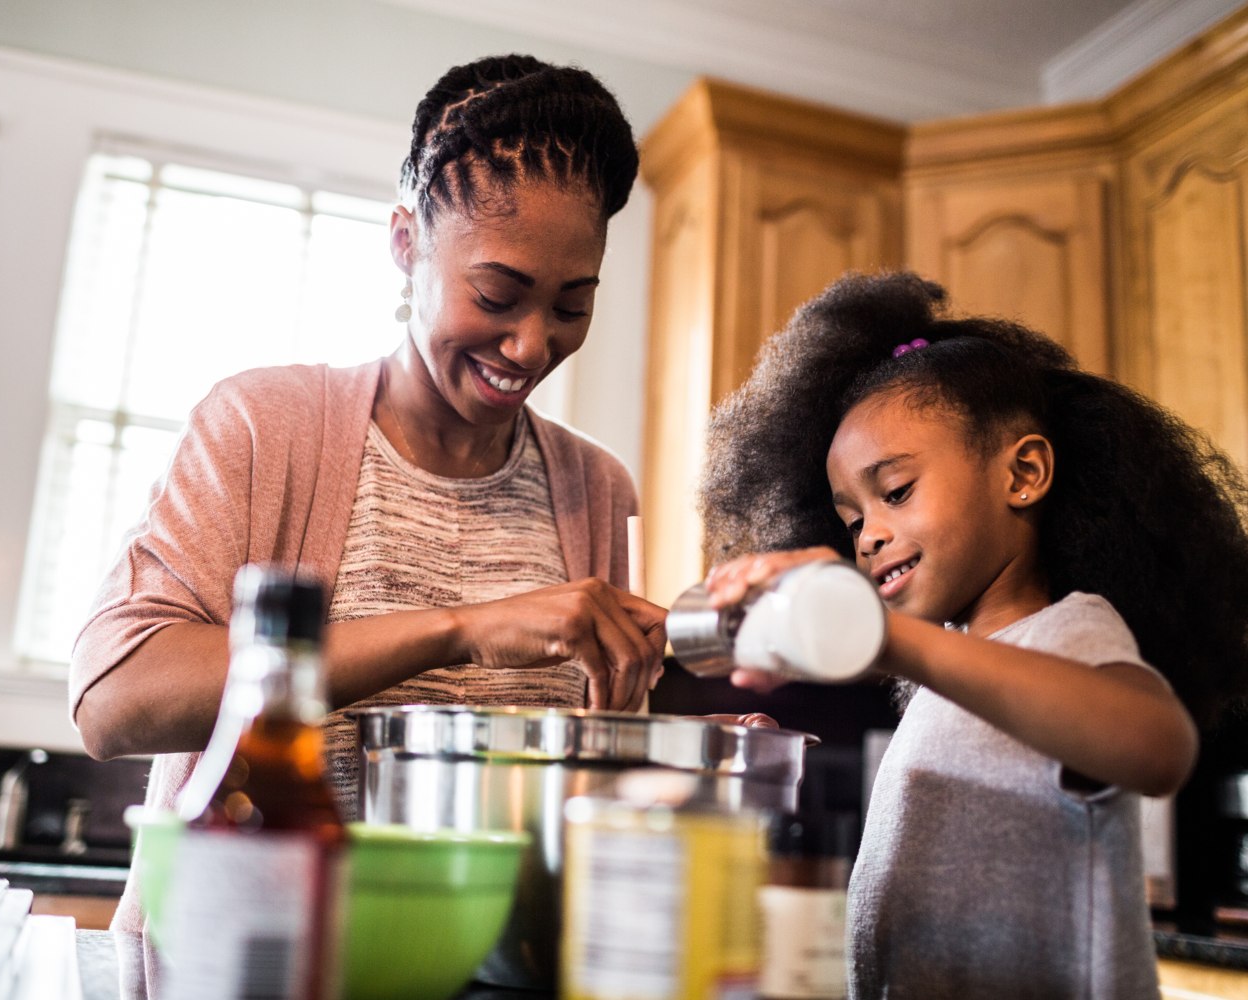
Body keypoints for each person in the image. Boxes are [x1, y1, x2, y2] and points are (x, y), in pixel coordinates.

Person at [69, 54, 666, 930]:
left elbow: (592, 785)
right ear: (405, 244)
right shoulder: (265, 426)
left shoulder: (596, 489)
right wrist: (459, 630)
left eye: (572, 306)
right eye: (498, 294)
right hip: (255, 968)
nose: (532, 346)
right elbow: (115, 699)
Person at [698, 271, 1248, 1000]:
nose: (869, 537)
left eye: (895, 492)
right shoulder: (942, 678)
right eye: (853, 519)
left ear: (1023, 473)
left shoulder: (1068, 632)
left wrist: (886, 637)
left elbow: (1159, 747)